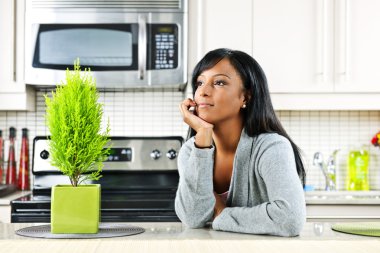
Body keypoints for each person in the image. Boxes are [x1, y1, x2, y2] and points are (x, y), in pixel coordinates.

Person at [175, 48, 306, 237]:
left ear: (246, 96)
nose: (203, 92)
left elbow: (290, 219)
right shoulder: (191, 151)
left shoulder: (271, 147)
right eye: (199, 83)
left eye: (219, 82)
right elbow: (193, 218)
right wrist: (202, 136)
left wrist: (221, 213)